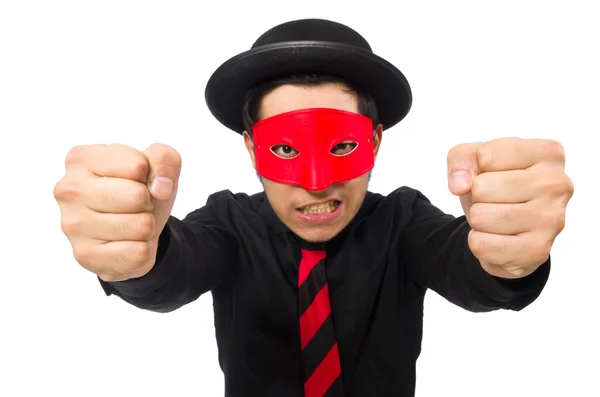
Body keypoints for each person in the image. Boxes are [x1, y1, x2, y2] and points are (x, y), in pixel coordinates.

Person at [53, 18, 574, 397]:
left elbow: (468, 266)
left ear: (374, 142)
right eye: (284, 149)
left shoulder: (405, 221)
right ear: (253, 149)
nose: (318, 185)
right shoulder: (229, 224)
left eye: (343, 147)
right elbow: (175, 269)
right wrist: (137, 259)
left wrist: (508, 257)